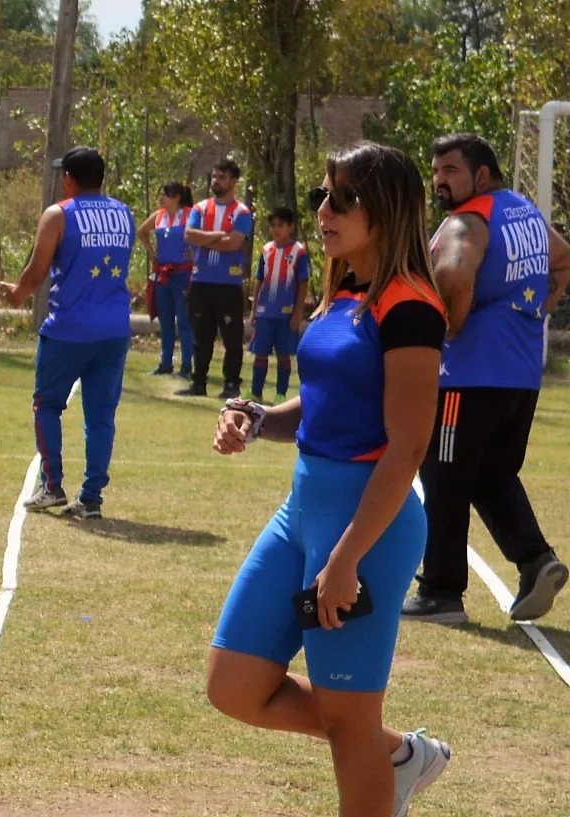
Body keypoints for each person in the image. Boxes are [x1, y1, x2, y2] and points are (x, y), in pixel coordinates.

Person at [207, 143, 451, 817]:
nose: (323, 212)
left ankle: (382, 757)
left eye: (342, 200)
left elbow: (407, 447)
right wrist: (257, 418)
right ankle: (399, 753)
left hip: (367, 528)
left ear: (386, 209)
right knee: (233, 683)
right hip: (303, 509)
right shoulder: (345, 289)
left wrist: (345, 558)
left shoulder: (411, 307)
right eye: (324, 196)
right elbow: (319, 405)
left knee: (350, 722)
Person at [400, 133, 570, 626]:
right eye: (435, 173)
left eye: (450, 171)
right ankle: (536, 560)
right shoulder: (525, 212)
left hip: (468, 375)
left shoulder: (469, 218)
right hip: (520, 376)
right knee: (490, 474)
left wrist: (451, 325)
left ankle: (440, 592)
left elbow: (452, 276)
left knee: (444, 475)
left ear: (481, 173)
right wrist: (535, 311)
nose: (440, 182)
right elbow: (562, 260)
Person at [0, 146, 135, 520]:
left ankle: (52, 485)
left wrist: (17, 294)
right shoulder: (124, 213)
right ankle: (91, 498)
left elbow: (36, 270)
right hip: (113, 329)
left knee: (47, 405)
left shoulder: (58, 214)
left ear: (69, 178)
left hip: (68, 329)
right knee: (101, 416)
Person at [177, 158, 254, 399]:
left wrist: (207, 239)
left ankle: (231, 383)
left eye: (221, 177)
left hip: (228, 285)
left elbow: (234, 243)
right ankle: (198, 381)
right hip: (201, 282)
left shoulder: (242, 212)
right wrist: (220, 234)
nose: (216, 181)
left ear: (233, 181)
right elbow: (189, 236)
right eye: (214, 176)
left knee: (232, 338)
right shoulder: (200, 208)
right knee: (202, 335)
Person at [249, 207, 310, 403]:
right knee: (260, 354)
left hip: (286, 315)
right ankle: (255, 392)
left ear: (291, 227)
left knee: (283, 356)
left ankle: (280, 394)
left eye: (281, 225)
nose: (276, 230)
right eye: (273, 226)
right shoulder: (266, 250)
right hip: (265, 313)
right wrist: (254, 310)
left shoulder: (298, 252)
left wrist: (297, 314)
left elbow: (302, 284)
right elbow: (259, 280)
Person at [137, 181, 195, 377]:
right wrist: (153, 253)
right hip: (163, 274)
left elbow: (203, 238)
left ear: (177, 198)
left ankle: (187, 365)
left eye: (165, 195)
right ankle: (165, 363)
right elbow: (141, 232)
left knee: (184, 320)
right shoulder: (159, 215)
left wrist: (194, 254)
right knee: (165, 320)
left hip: (183, 274)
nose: (161, 199)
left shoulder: (190, 214)